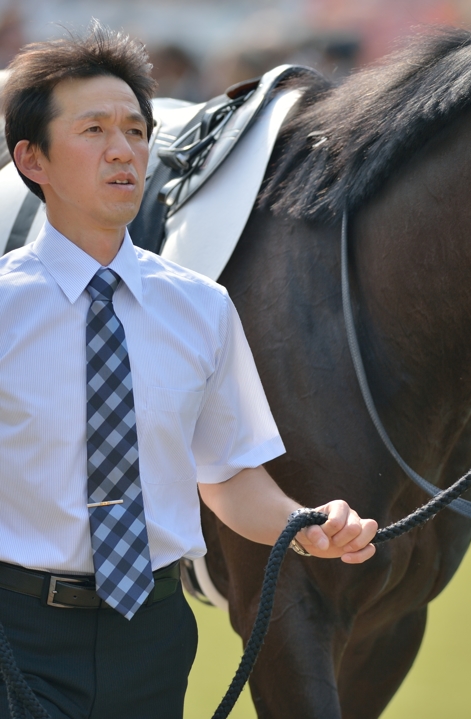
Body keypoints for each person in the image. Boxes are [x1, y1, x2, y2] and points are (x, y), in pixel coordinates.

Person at [0, 24, 378, 719]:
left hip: (153, 635)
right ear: (33, 159)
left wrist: (306, 523)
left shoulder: (202, 308)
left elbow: (230, 478)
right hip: (14, 635)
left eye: (137, 130)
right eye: (93, 129)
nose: (123, 149)